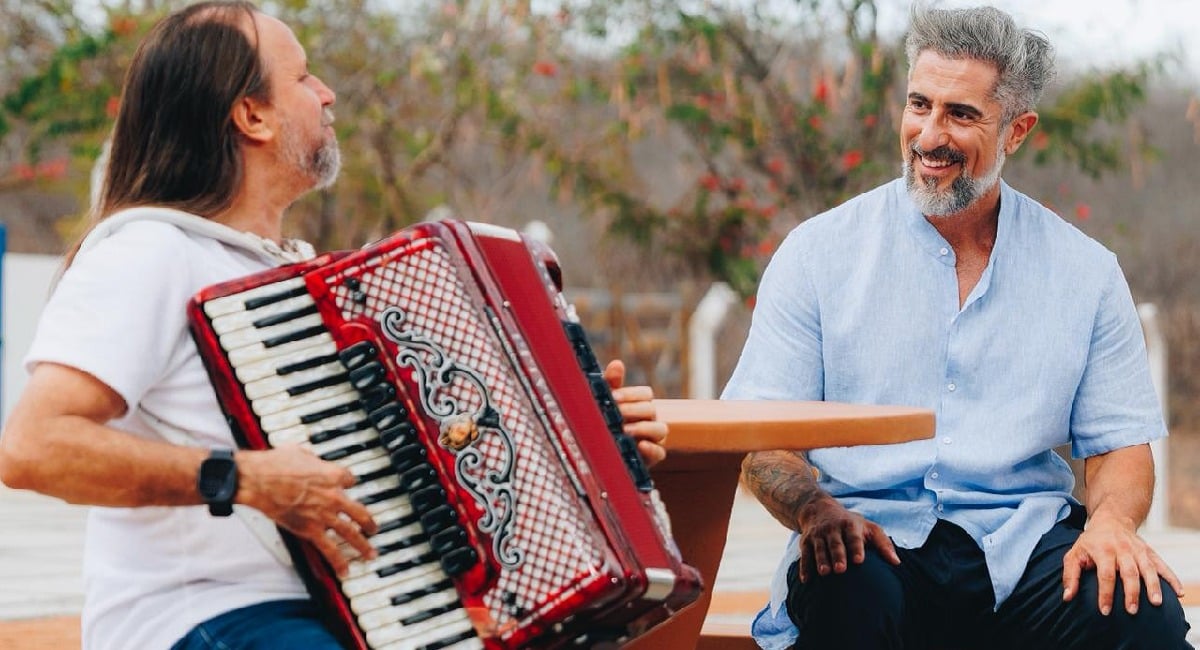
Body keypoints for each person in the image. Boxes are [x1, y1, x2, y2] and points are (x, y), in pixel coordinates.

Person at [0, 3, 668, 649]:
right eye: (303, 77)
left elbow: (431, 458)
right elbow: (34, 447)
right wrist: (245, 479)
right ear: (251, 115)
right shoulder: (148, 252)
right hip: (206, 616)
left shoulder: (298, 281)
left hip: (353, 613)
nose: (327, 94)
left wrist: (587, 439)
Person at [724, 5, 1193, 649]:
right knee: (846, 592)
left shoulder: (1087, 271)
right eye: (920, 104)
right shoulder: (816, 254)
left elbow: (1120, 445)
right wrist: (815, 511)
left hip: (1026, 548)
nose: (928, 135)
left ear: (1016, 131)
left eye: (961, 114)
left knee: (1143, 612)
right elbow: (759, 439)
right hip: (870, 540)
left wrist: (1110, 523)